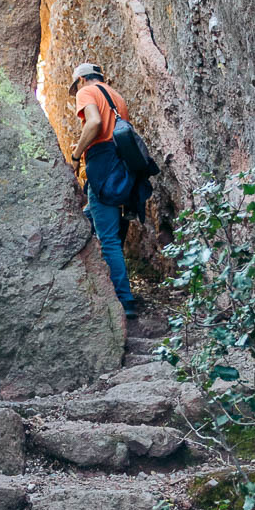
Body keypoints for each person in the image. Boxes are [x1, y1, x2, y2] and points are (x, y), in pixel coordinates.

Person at [69, 62, 140, 320]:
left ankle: (124, 300)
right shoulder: (115, 96)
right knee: (88, 217)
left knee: (108, 238)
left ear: (80, 80)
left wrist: (76, 156)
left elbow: (94, 123)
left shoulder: (86, 92)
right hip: (122, 171)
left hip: (103, 169)